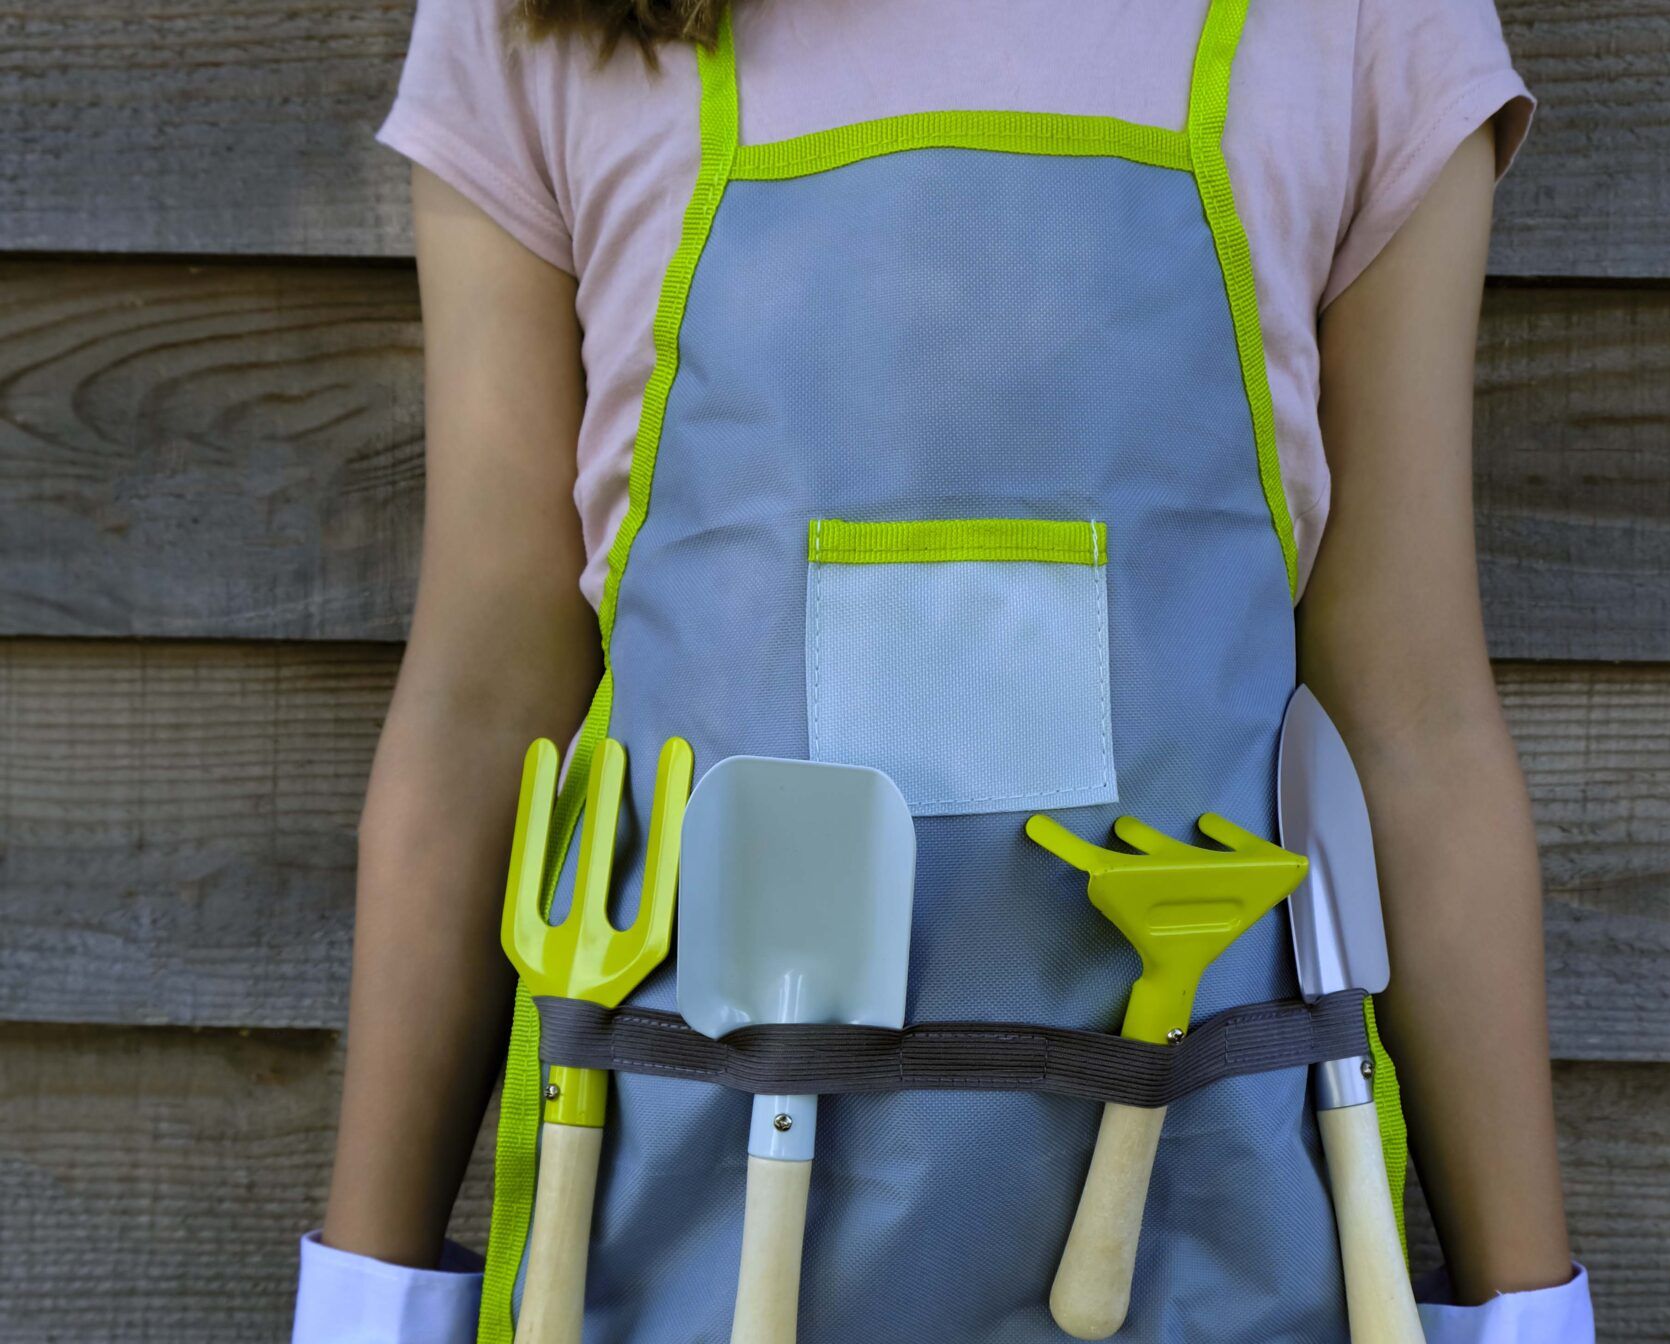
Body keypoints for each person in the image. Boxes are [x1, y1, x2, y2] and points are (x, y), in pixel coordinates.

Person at [293, 1, 1595, 1340]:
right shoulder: (543, 22)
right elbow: (485, 703)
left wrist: (1531, 1319)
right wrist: (361, 1308)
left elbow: (1414, 720)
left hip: (1210, 1243)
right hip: (676, 1241)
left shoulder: (1361, 24)